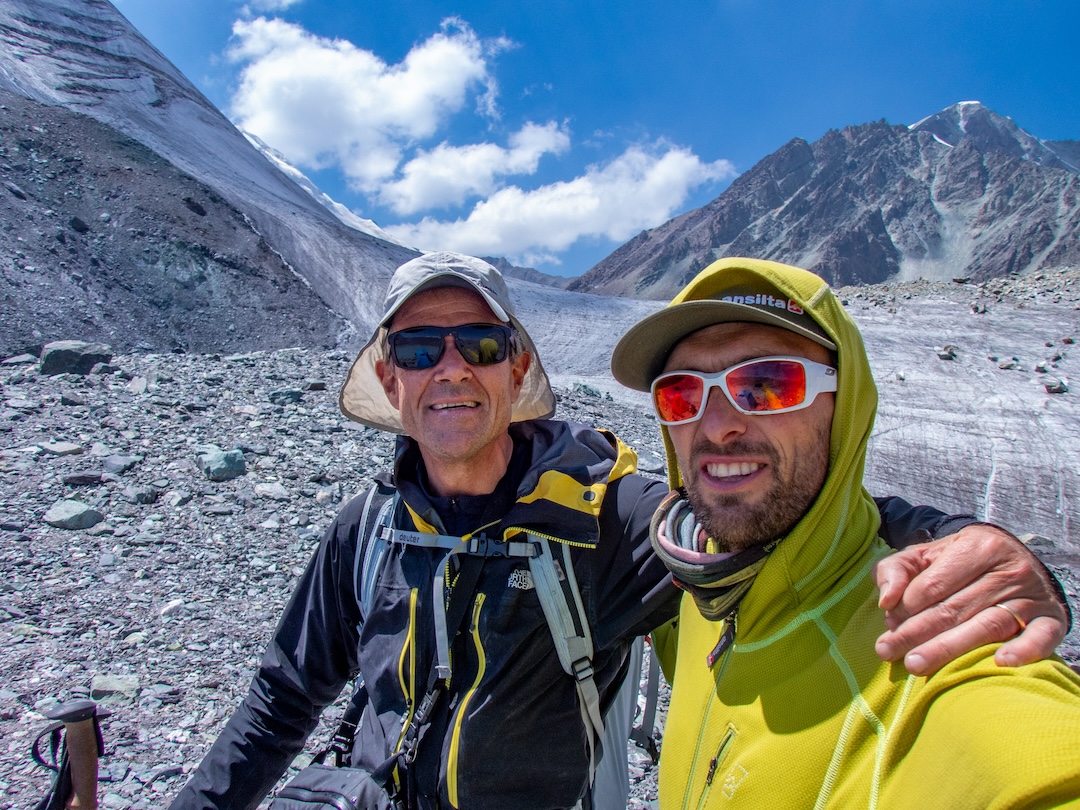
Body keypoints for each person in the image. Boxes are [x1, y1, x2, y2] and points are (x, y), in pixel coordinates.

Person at [170, 252, 1069, 810]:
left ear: (515, 364)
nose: (448, 369)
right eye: (416, 350)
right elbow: (284, 699)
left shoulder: (602, 520)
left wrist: (962, 538)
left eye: (479, 344)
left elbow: (755, 518)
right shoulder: (365, 529)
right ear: (390, 378)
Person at [610, 256, 1080, 808]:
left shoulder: (933, 647)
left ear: (846, 403)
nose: (716, 425)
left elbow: (1022, 758)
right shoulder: (693, 585)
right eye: (681, 395)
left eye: (766, 383)